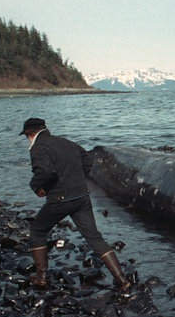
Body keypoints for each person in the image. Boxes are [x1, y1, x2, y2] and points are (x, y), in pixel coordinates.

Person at [19, 118, 131, 290]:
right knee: (95, 238)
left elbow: (45, 171)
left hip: (59, 200)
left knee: (38, 231)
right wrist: (79, 179)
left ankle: (41, 277)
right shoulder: (67, 143)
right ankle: (122, 280)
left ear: (29, 134)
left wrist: (37, 187)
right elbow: (87, 159)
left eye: (26, 136)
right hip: (82, 197)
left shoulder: (38, 147)